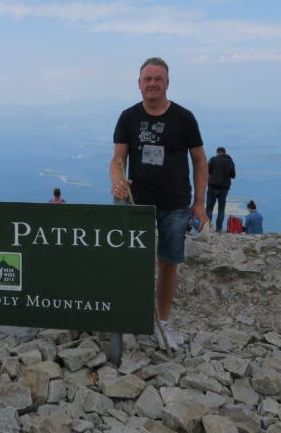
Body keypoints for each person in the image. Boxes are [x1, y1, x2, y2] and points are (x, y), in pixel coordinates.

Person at [110, 57, 208, 352]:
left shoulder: (184, 117)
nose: (152, 83)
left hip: (176, 203)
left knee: (168, 263)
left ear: (167, 83)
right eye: (147, 79)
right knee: (132, 262)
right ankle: (131, 318)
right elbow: (117, 160)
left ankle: (162, 322)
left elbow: (199, 160)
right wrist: (117, 181)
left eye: (158, 79)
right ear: (139, 83)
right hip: (137, 204)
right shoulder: (128, 117)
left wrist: (200, 204)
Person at [206, 146, 236, 232]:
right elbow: (233, 176)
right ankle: (219, 229)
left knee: (209, 207)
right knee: (221, 209)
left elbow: (207, 171)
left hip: (212, 187)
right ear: (225, 152)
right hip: (224, 189)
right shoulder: (230, 162)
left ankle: (207, 227)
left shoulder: (213, 159)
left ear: (217, 152)